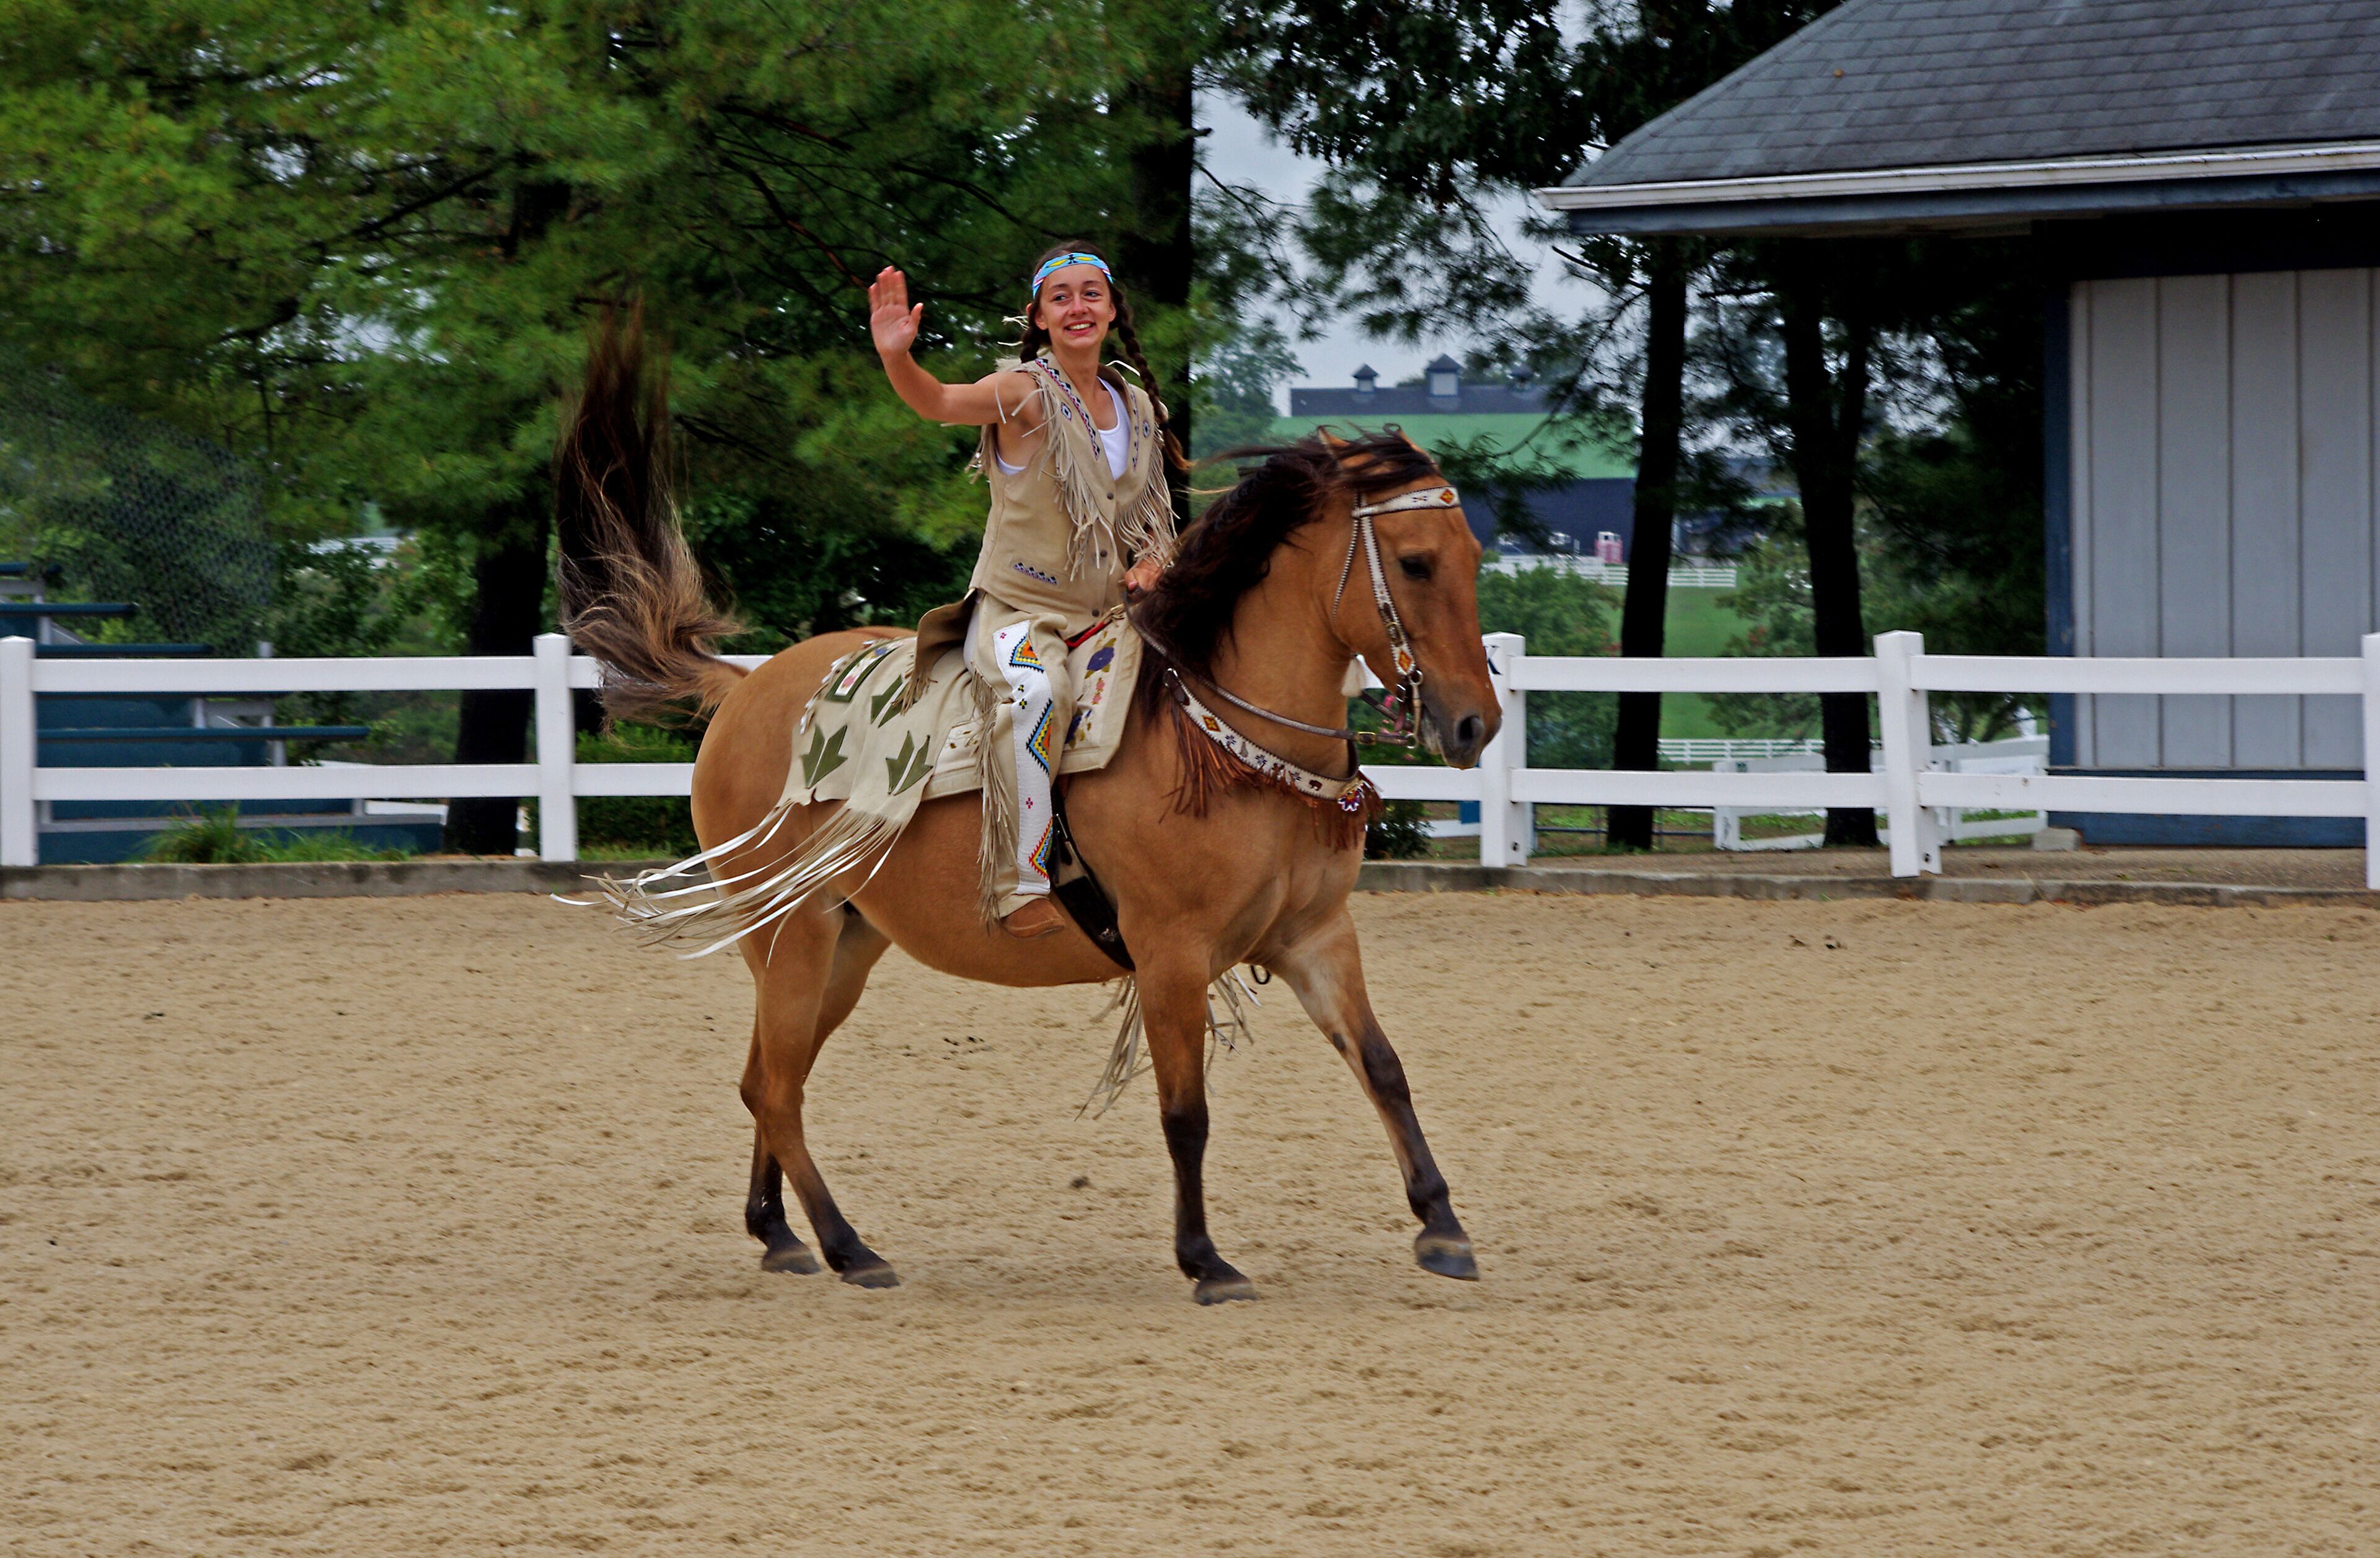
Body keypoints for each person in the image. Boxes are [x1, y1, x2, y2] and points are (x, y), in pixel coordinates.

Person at [868, 244, 1185, 937]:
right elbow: (941, 401)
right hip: (1020, 611)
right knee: (1035, 694)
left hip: (1107, 615)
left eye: (1091, 294)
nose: (1078, 307)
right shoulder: (1021, 391)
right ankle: (1019, 879)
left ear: (1111, 309)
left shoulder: (1136, 405)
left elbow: (1153, 516)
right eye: (1062, 297)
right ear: (1039, 318)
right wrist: (898, 358)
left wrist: (1156, 561)